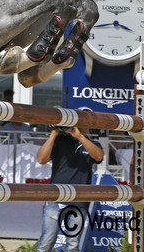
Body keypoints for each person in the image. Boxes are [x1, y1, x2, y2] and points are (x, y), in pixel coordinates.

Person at [35, 108, 103, 252]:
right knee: (45, 244)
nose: (82, 123)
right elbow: (41, 159)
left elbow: (98, 157)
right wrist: (54, 133)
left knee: (72, 245)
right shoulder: (60, 140)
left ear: (90, 124)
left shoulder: (93, 144)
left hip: (78, 201)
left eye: (85, 121)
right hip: (55, 198)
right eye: (80, 120)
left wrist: (80, 137)